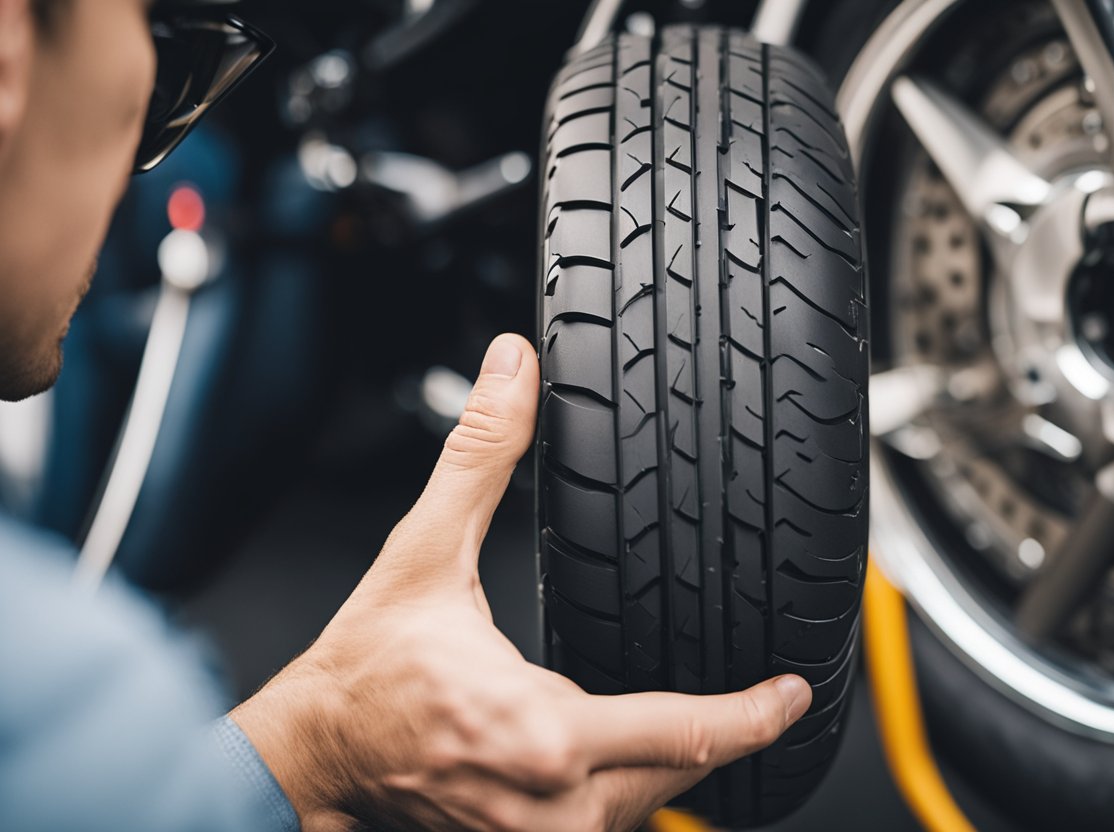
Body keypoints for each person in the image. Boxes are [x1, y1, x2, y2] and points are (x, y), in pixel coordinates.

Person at [0, 1, 814, 830]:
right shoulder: (82, 697)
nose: (153, 155)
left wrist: (312, 746)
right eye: (171, 67)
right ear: (10, 53)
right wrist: (315, 743)